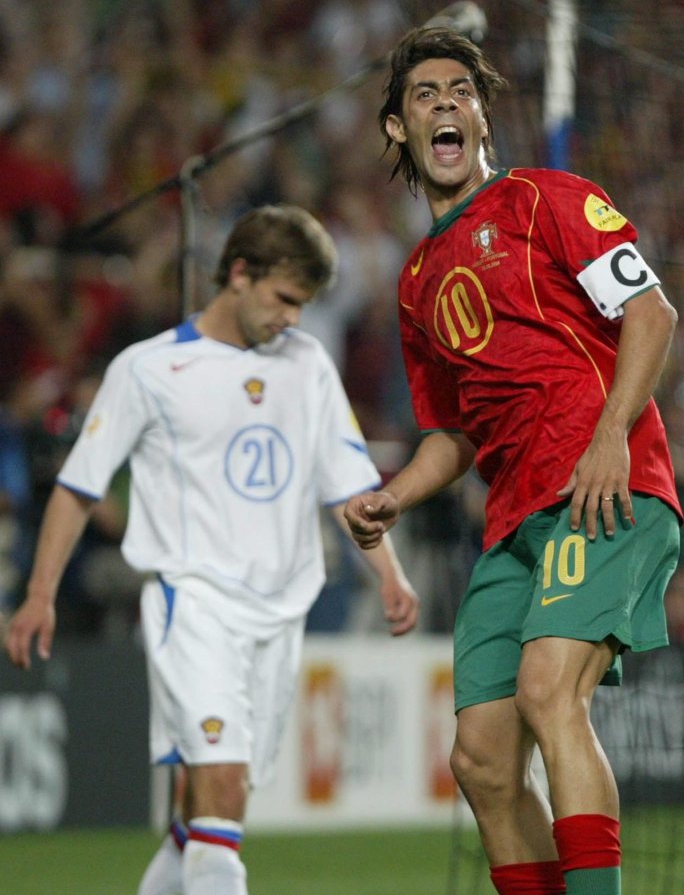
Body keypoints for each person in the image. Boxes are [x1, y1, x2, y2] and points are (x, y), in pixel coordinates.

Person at [344, 27, 682, 895]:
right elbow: (453, 434)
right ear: (397, 128)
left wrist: (608, 436)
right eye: (424, 94)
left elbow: (652, 316)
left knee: (546, 692)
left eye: (461, 89)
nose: (445, 103)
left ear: (483, 116)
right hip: (513, 521)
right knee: (482, 761)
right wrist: (395, 497)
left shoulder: (546, 198)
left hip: (601, 488)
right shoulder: (418, 277)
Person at [4, 203, 419, 895]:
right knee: (221, 785)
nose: (293, 317)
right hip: (193, 604)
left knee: (208, 810)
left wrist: (390, 575)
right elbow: (78, 487)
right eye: (284, 299)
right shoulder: (150, 369)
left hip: (280, 613)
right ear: (238, 274)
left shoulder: (309, 364)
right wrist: (40, 593)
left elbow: (346, 485)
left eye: (304, 303)